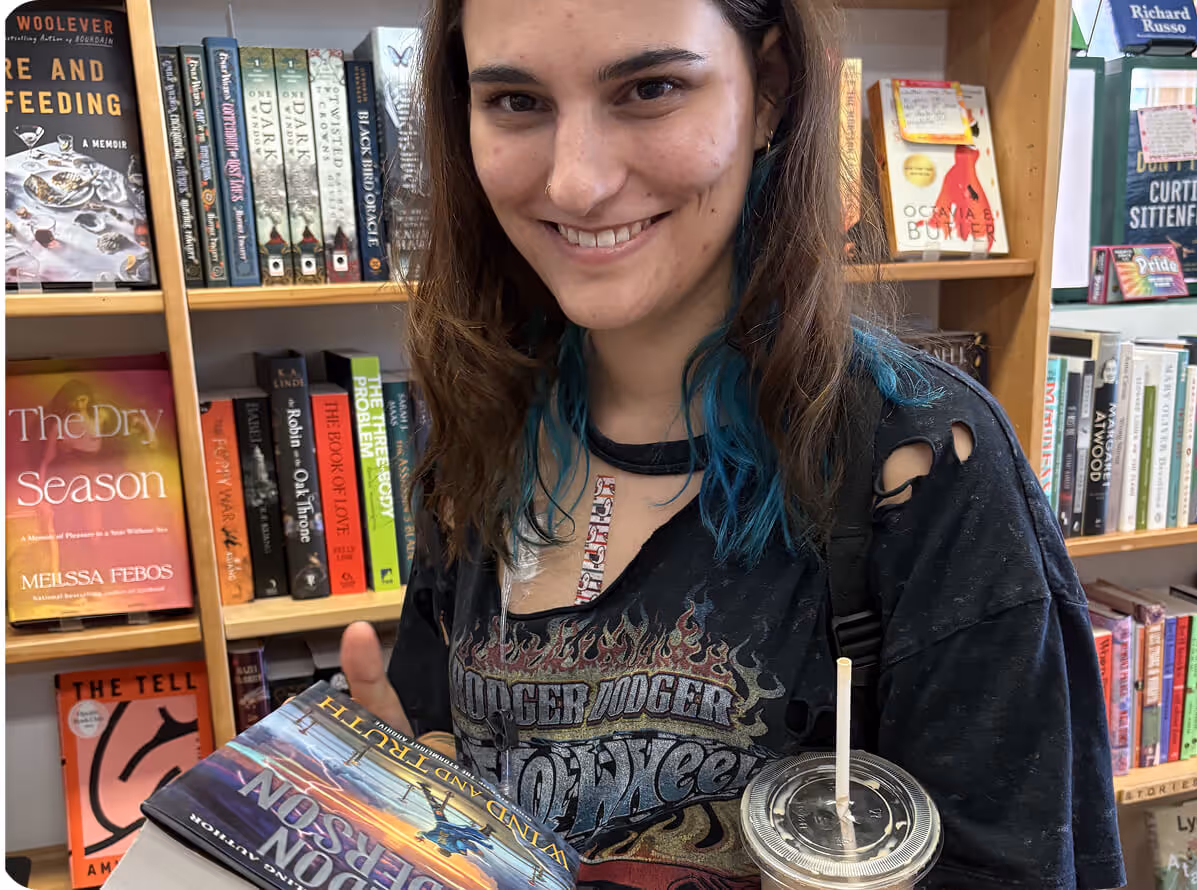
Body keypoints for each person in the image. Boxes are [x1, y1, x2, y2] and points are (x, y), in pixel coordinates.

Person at [338, 0, 1127, 887]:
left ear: (772, 89)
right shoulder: (482, 421)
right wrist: (389, 826)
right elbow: (428, 752)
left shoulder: (923, 466)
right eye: (517, 102)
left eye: (650, 88)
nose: (575, 184)